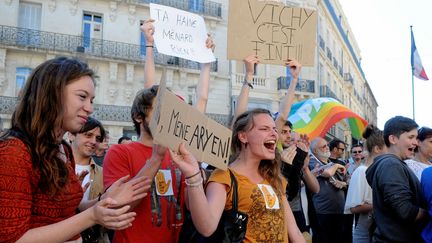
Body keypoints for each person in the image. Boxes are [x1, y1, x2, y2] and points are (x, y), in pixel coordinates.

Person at [0, 57, 150, 242]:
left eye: (92, 100)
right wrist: (93, 216)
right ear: (52, 94)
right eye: (82, 97)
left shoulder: (63, 149)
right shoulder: (14, 152)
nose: (89, 108)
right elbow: (13, 238)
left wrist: (103, 201)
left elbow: (68, 211)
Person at [102, 19, 215, 243]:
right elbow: (118, 207)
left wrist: (206, 61)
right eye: (161, 111)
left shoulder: (179, 158)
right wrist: (150, 46)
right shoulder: (119, 153)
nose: (169, 117)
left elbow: (195, 210)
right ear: (138, 116)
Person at [170, 108, 305, 242]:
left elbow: (295, 233)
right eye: (264, 129)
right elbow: (206, 227)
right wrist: (193, 176)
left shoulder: (274, 178)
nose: (274, 134)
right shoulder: (224, 177)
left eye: (275, 129)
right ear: (243, 137)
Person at [366, 116, 428, 243]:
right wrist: (429, 213)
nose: (416, 143)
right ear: (393, 139)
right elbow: (405, 211)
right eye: (411, 137)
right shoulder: (391, 165)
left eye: (416, 138)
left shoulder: (393, 164)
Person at [70, 117, 110, 242]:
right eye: (88, 135)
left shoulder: (103, 173)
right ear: (71, 135)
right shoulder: (54, 169)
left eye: (97, 138)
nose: (93, 141)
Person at [344, 125, 386, 243]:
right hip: (365, 235)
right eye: (388, 147)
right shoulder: (362, 171)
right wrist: (379, 204)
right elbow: (353, 208)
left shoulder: (379, 169)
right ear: (377, 149)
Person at [308, 137, 348, 243]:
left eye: (327, 145)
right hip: (323, 212)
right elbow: (327, 173)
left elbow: (348, 180)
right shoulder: (312, 162)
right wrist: (336, 165)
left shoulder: (331, 162)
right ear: (315, 151)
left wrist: (342, 183)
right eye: (324, 146)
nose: (327, 148)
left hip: (339, 211)